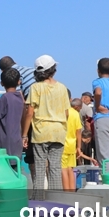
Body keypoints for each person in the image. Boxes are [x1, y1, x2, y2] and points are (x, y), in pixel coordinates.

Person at [22, 55, 69, 194]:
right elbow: (66, 113)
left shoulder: (35, 88)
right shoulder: (62, 88)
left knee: (40, 167)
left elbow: (29, 113)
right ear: (53, 69)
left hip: (41, 132)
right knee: (55, 168)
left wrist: (24, 135)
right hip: (59, 131)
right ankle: (56, 199)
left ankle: (38, 198)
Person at [62, 97, 84, 190]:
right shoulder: (76, 114)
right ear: (76, 107)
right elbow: (78, 131)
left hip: (63, 144)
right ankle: (71, 191)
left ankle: (65, 192)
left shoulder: (64, 111)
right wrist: (79, 147)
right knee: (70, 169)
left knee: (63, 169)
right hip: (72, 145)